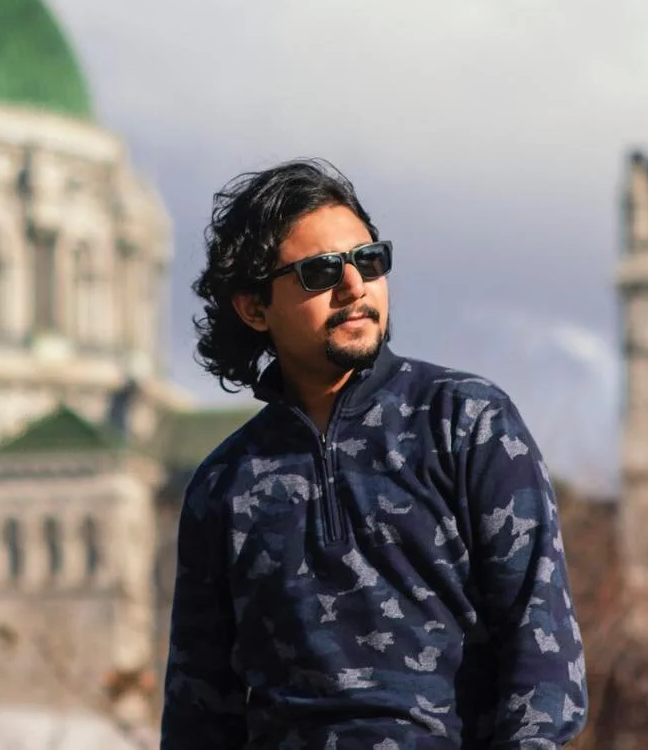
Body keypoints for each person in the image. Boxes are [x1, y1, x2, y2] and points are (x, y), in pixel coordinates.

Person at [161, 159, 587, 749]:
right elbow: (199, 714)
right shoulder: (223, 486)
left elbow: (543, 657)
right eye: (319, 272)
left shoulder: (467, 423)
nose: (355, 285)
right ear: (254, 307)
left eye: (369, 261)